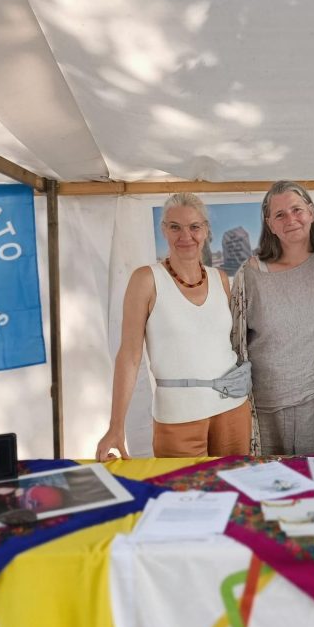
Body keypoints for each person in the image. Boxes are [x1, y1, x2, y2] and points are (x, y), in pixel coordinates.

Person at [95, 193, 251, 460]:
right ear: (164, 230)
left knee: (234, 490)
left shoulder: (221, 279)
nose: (185, 236)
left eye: (194, 227)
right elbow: (130, 356)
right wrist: (116, 425)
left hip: (233, 411)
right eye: (175, 227)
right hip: (178, 417)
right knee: (184, 496)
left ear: (205, 231)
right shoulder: (145, 279)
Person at [230, 180, 314, 455]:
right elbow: (234, 339)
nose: (290, 219)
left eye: (297, 210)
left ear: (311, 213)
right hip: (266, 406)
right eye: (280, 214)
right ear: (269, 223)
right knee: (271, 487)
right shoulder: (249, 275)